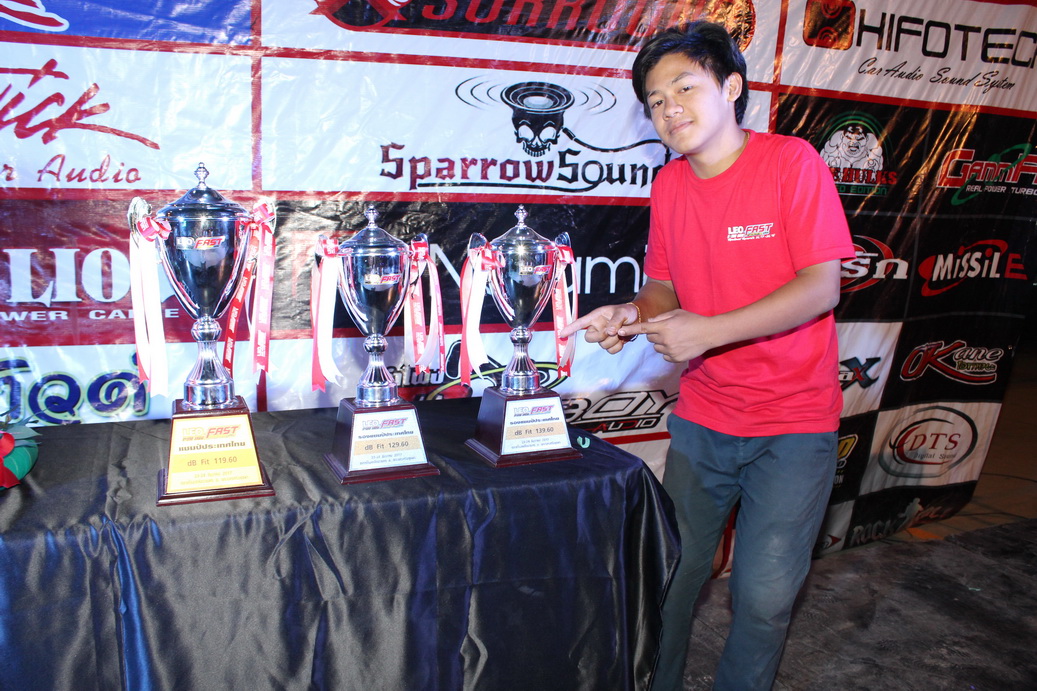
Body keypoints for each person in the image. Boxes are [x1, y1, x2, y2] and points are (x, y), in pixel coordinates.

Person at [559, 21, 854, 691]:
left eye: (684, 87)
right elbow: (663, 289)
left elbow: (821, 286)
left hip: (793, 423)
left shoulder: (790, 162)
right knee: (670, 574)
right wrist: (631, 316)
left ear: (731, 87)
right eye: (655, 100)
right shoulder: (669, 185)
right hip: (705, 417)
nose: (669, 108)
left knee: (763, 597)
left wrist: (710, 331)